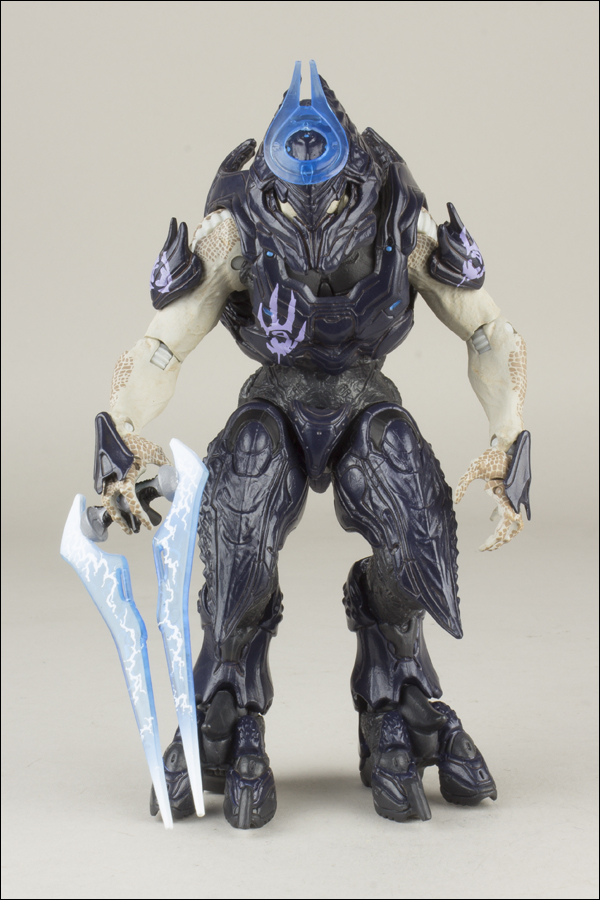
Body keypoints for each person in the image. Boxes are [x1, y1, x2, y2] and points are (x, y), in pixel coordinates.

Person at [94, 61, 531, 829]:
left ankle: (397, 683)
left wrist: (509, 431)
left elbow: (487, 328)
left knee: (414, 519)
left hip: (362, 397)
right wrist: (121, 431)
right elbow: (164, 341)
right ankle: (225, 697)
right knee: (242, 509)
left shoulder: (400, 219)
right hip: (279, 399)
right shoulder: (237, 225)